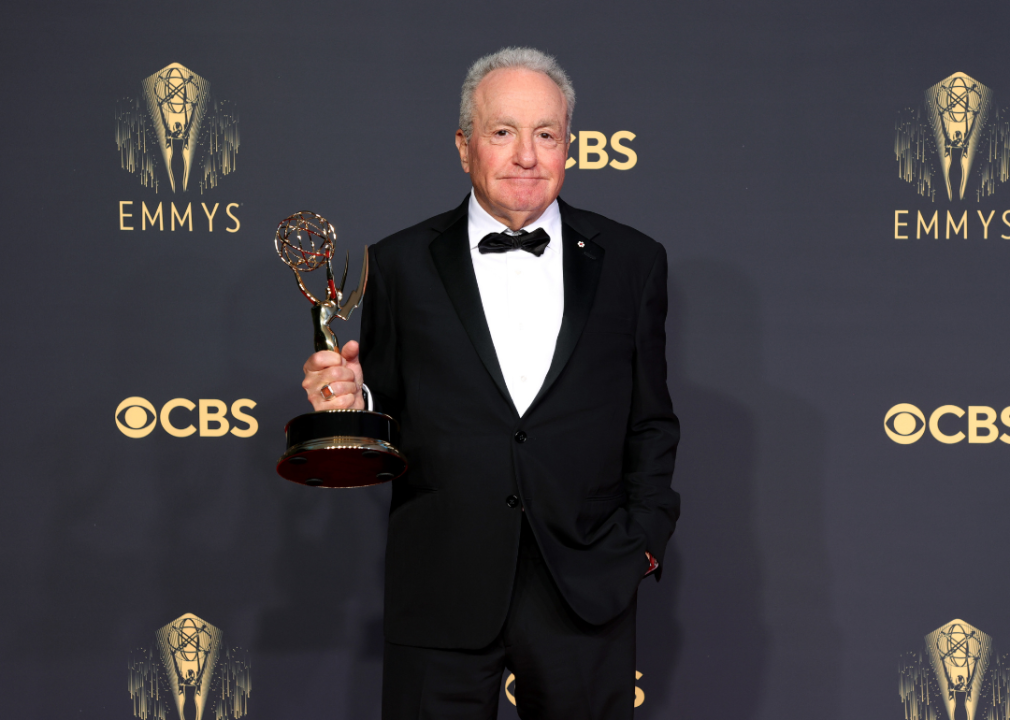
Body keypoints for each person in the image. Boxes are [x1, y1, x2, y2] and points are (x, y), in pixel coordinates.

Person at [301, 47, 680, 719]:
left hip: (584, 584)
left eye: (546, 134)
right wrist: (349, 405)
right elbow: (384, 411)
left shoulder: (634, 262)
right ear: (464, 145)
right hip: (442, 582)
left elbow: (650, 420)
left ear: (569, 145)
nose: (526, 156)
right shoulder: (397, 263)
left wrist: (642, 542)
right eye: (503, 132)